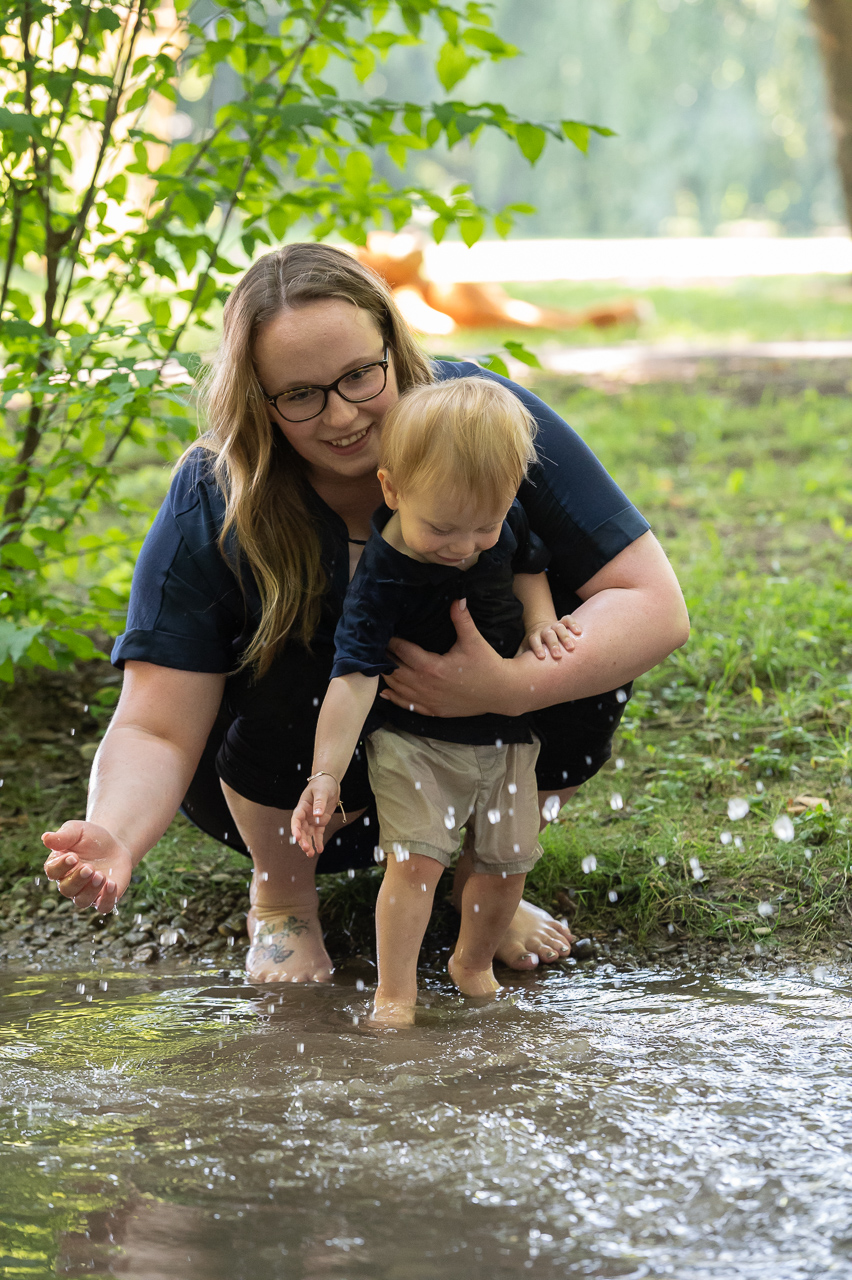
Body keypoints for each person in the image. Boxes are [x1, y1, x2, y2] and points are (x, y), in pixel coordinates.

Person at [41, 242, 689, 984]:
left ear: (395, 346)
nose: (343, 415)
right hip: (301, 799)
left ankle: (484, 879)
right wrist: (116, 835)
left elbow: (653, 605)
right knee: (305, 643)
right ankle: (281, 901)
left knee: (576, 637)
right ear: (257, 397)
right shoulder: (216, 489)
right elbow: (156, 723)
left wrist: (510, 687)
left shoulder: (480, 419)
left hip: (483, 750)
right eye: (301, 395)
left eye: (359, 375)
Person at [291, 377, 580, 1022]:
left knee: (507, 865)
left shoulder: (498, 520)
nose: (464, 547)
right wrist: (325, 774)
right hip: (412, 740)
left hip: (504, 732)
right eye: (443, 528)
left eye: (485, 526)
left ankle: (471, 963)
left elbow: (527, 565)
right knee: (414, 863)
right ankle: (395, 994)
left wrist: (540, 621)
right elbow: (352, 677)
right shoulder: (382, 576)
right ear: (392, 490)